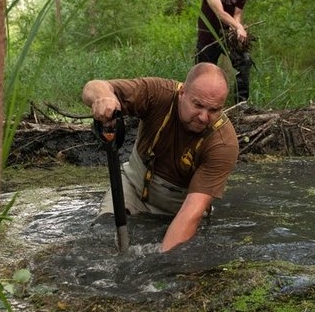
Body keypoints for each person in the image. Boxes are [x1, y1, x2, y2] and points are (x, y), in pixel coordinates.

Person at [82, 63, 239, 252]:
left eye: (214, 110)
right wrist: (104, 97)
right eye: (198, 105)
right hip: (132, 187)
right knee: (102, 237)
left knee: (176, 257)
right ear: (182, 93)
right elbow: (93, 86)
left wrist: (162, 263)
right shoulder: (158, 93)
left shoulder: (223, 143)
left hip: (177, 210)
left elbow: (191, 212)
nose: (204, 117)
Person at [196, 0, 252, 103]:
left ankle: (241, 103)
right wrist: (239, 26)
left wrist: (236, 30)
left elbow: (237, 14)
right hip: (208, 37)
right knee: (203, 73)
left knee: (244, 61)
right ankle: (202, 103)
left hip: (227, 36)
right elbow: (220, 13)